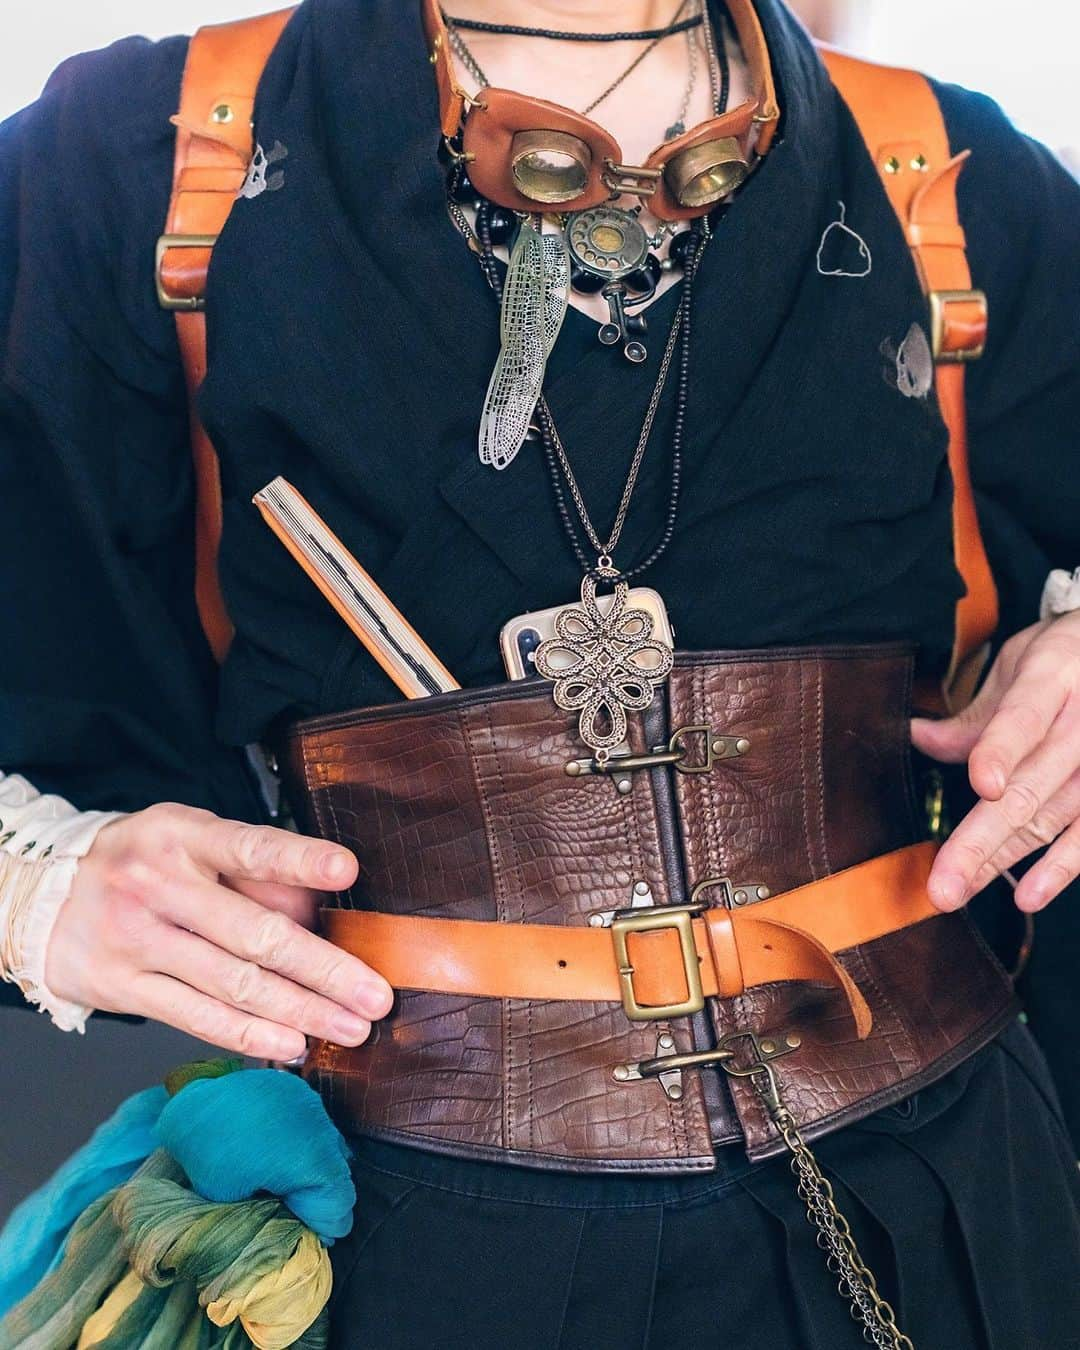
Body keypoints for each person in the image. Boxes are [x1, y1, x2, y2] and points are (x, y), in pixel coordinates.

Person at [2, 1, 1079, 1346]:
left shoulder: (951, 176)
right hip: (420, 1252)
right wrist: (31, 882)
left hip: (950, 1207)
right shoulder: (137, 168)